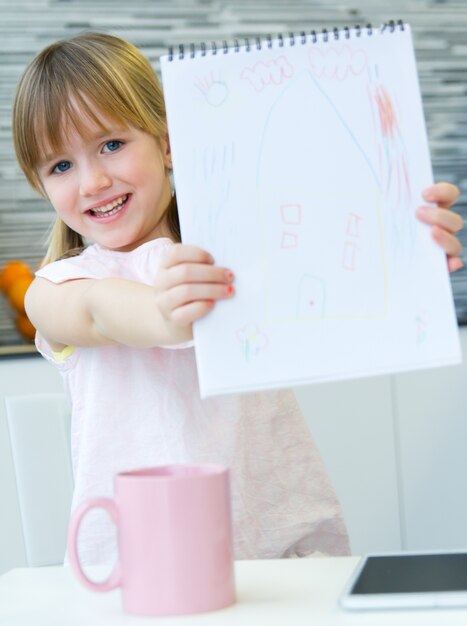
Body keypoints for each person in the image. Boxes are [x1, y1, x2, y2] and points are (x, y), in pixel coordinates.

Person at [12, 32, 463, 566]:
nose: (93, 181)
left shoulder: (244, 254)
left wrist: (408, 245)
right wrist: (164, 312)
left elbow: (336, 268)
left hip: (279, 548)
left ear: (167, 143)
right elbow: (99, 312)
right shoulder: (57, 287)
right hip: (143, 569)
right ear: (42, 186)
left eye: (111, 144)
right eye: (60, 166)